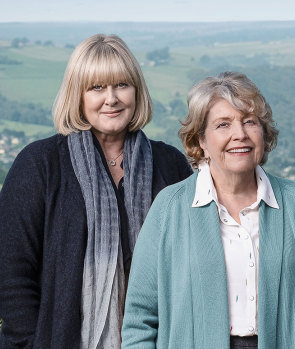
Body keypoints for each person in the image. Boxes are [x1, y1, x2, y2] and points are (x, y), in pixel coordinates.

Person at [0, 34, 193, 349]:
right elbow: (11, 272)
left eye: (121, 85)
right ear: (77, 96)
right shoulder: (39, 164)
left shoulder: (170, 165)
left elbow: (192, 261)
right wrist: (32, 341)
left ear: (137, 91)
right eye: (97, 87)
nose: (112, 98)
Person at [122, 71, 295, 349]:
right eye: (223, 125)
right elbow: (139, 319)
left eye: (250, 122)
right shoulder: (169, 208)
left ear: (264, 132)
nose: (240, 135)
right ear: (200, 140)